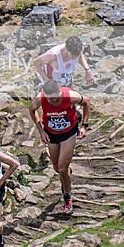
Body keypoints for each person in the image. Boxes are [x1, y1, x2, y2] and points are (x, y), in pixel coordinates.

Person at [29, 79, 90, 217]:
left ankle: (67, 198)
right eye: (49, 100)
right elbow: (32, 110)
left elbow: (87, 102)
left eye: (55, 99)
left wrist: (84, 125)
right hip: (51, 134)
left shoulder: (71, 96)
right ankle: (67, 173)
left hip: (69, 133)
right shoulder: (41, 98)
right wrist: (41, 131)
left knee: (61, 169)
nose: (52, 102)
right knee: (58, 169)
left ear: (60, 92)